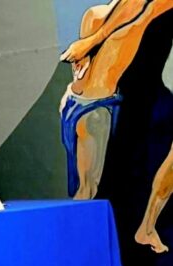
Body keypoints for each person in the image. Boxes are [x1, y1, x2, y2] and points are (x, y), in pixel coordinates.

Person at [59, 0, 173, 251]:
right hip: (90, 109)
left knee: (88, 191)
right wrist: (90, 42)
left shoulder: (116, 15)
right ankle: (75, 255)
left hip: (90, 103)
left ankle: (146, 228)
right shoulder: (99, 15)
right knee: (87, 192)